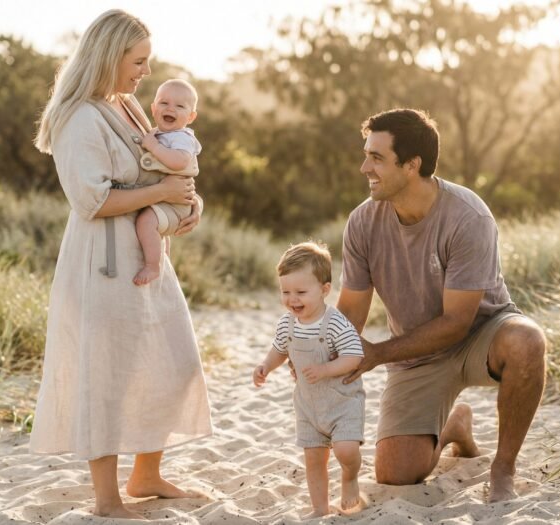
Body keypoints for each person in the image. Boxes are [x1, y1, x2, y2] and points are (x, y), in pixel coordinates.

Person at [29, 9, 212, 519]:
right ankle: (107, 498)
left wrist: (184, 206)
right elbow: (91, 201)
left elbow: (165, 168)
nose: (145, 72)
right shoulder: (79, 116)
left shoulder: (127, 106)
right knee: (105, 373)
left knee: (169, 361)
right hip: (101, 262)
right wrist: (162, 193)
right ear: (111, 56)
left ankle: (147, 474)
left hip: (145, 256)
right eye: (139, 60)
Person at [336, 108, 547, 503]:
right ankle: (454, 426)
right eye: (366, 155)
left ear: (412, 165)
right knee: (396, 473)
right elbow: (350, 312)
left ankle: (503, 467)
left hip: (479, 334)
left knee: (528, 341)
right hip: (416, 351)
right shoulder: (362, 223)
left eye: (377, 158)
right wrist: (318, 346)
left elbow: (456, 323)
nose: (365, 167)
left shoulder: (468, 217)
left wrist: (377, 353)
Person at [252, 241, 367, 517]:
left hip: (342, 402)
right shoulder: (287, 323)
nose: (293, 300)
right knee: (314, 460)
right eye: (286, 292)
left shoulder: (335, 322)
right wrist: (266, 366)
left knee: (345, 450)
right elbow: (279, 350)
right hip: (308, 407)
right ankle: (320, 508)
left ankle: (350, 478)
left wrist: (326, 369)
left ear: (324, 290)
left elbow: (355, 356)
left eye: (301, 292)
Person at [131, 78, 202, 285]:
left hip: (177, 203)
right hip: (168, 199)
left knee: (147, 222)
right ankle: (164, 261)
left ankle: (153, 266)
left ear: (191, 116)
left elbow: (179, 162)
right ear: (153, 109)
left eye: (180, 106)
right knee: (157, 229)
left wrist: (153, 147)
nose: (170, 108)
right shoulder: (159, 134)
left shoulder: (182, 137)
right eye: (164, 103)